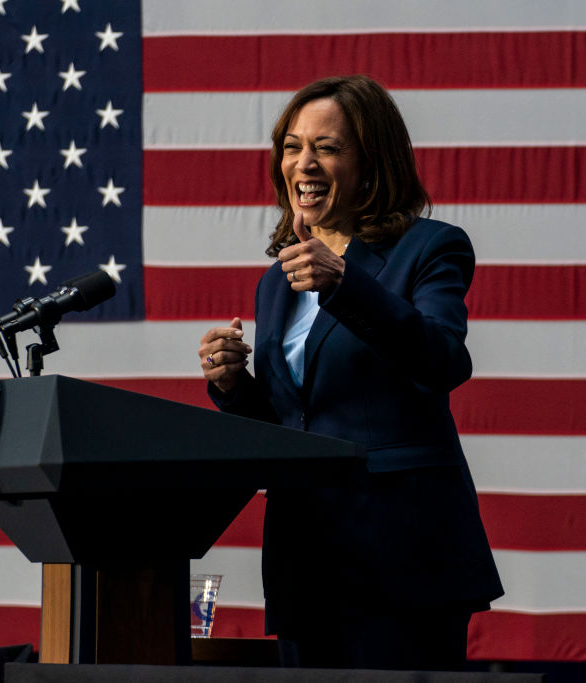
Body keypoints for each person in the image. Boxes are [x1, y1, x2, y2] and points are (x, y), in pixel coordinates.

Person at [198, 75, 503, 671]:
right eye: (291, 146)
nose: (303, 163)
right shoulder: (274, 283)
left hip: (403, 557)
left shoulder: (430, 248)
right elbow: (296, 424)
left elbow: (442, 361)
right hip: (304, 560)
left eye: (327, 147)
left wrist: (346, 284)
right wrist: (233, 386)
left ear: (371, 162)